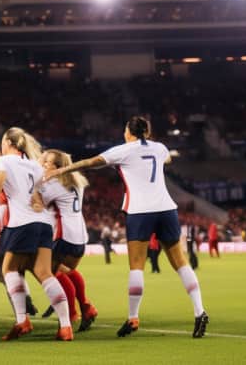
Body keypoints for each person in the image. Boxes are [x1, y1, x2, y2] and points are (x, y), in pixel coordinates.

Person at [45, 116, 209, 339]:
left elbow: (90, 162)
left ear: (129, 132)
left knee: (136, 266)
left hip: (140, 211)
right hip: (166, 209)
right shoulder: (160, 148)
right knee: (181, 263)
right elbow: (167, 159)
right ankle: (199, 311)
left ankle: (133, 317)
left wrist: (62, 170)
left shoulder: (123, 150)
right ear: (147, 132)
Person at [0, 127, 75, 342]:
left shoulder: (3, 161)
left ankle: (22, 321)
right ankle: (65, 326)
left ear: (8, 142)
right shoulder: (34, 165)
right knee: (44, 272)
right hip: (43, 223)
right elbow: (38, 196)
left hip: (21, 223)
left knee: (9, 269)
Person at [37, 149, 99, 333]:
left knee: (50, 274)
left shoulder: (54, 185)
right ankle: (86, 307)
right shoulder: (75, 181)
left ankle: (71, 316)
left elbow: (38, 203)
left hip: (64, 237)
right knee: (67, 271)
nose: (43, 164)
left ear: (56, 167)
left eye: (46, 162)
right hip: (80, 236)